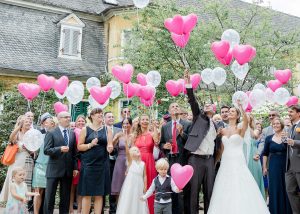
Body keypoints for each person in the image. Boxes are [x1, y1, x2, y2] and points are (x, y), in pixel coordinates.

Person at [207, 104, 269, 214]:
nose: (229, 113)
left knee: (239, 184)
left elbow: (246, 120)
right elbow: (221, 149)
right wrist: (215, 162)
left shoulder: (241, 129)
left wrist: (241, 107)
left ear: (237, 115)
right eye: (229, 111)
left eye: (232, 111)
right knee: (224, 186)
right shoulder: (222, 131)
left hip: (237, 160)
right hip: (226, 161)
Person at [184, 70, 221, 214]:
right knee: (194, 191)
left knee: (209, 191)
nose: (206, 106)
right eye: (205, 104)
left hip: (209, 160)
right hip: (195, 159)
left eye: (209, 105)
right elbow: (192, 101)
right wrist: (188, 84)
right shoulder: (199, 118)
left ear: (214, 109)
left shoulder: (217, 125)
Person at [77, 108, 113, 214]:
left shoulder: (107, 129)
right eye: (98, 113)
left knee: (99, 193)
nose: (101, 115)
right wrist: (90, 144)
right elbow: (79, 147)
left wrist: (110, 147)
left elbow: (110, 144)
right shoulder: (85, 129)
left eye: (102, 114)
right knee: (87, 193)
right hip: (88, 165)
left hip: (102, 164)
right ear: (92, 116)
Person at [43, 111, 78, 214]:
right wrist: (59, 149)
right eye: (65, 117)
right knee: (49, 198)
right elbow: (46, 150)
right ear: (59, 119)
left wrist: (75, 167)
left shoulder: (72, 133)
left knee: (65, 198)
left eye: (69, 117)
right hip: (54, 169)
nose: (68, 119)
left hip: (68, 170)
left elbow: (74, 153)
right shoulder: (51, 132)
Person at [160, 103, 191, 214]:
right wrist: (164, 146)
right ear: (169, 111)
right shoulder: (165, 126)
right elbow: (161, 143)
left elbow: (191, 142)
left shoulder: (187, 124)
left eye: (177, 106)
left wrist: (182, 133)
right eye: (172, 107)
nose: (175, 108)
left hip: (183, 159)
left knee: (184, 190)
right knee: (172, 189)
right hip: (171, 160)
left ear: (180, 109)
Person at [0, 116, 34, 203]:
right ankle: (12, 200)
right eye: (26, 121)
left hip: (28, 161)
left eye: (30, 122)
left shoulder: (31, 134)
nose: (29, 123)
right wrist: (19, 126)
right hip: (17, 161)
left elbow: (33, 151)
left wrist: (28, 148)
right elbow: (11, 138)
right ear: (21, 123)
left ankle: (23, 202)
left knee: (25, 181)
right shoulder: (17, 133)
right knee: (15, 180)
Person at [262, 118, 292, 214]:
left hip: (286, 164)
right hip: (273, 164)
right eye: (274, 124)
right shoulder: (269, 138)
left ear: (282, 124)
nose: (275, 125)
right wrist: (264, 167)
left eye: (277, 123)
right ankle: (275, 210)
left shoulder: (286, 136)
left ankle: (287, 210)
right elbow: (265, 153)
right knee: (275, 187)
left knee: (286, 186)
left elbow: (291, 150)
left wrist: (287, 139)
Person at [133, 114, 159, 214]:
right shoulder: (135, 135)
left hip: (149, 161)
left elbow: (156, 141)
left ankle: (150, 210)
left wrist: (155, 127)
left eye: (146, 119)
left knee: (149, 184)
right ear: (139, 122)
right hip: (138, 161)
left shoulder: (152, 134)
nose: (145, 121)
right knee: (138, 184)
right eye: (142, 119)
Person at [32, 114, 54, 214]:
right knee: (38, 191)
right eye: (50, 120)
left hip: (52, 165)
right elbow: (33, 149)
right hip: (40, 165)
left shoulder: (55, 133)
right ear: (44, 123)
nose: (52, 122)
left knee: (49, 193)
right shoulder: (38, 134)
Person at [116, 147, 148, 214]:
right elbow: (127, 152)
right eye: (135, 150)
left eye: (137, 150)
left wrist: (145, 186)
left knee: (139, 199)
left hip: (139, 184)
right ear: (131, 154)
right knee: (129, 198)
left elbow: (145, 176)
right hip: (130, 185)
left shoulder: (143, 164)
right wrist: (126, 142)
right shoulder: (130, 162)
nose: (137, 150)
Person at [243, 113, 265, 198]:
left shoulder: (256, 130)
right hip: (243, 154)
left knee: (254, 175)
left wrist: (247, 124)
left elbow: (255, 136)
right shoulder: (241, 129)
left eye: (247, 118)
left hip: (253, 155)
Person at [104, 111, 122, 214]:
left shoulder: (119, 130)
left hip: (117, 161)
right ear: (105, 119)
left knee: (115, 184)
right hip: (104, 161)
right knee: (105, 184)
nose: (111, 118)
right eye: (109, 117)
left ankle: (113, 208)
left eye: (112, 116)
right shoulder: (101, 129)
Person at [111, 118, 133, 200]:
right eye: (124, 123)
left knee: (129, 185)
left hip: (131, 160)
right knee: (119, 185)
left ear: (131, 124)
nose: (125, 125)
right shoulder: (119, 135)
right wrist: (115, 138)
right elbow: (111, 148)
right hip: (120, 161)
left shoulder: (133, 135)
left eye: (127, 123)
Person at [69, 115, 86, 214]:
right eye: (79, 121)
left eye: (83, 121)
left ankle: (79, 210)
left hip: (84, 161)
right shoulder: (72, 133)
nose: (81, 122)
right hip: (74, 161)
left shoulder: (87, 131)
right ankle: (70, 208)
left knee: (81, 187)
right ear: (75, 123)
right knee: (72, 187)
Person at [285, 105, 300, 213]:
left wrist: (294, 142)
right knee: (290, 191)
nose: (289, 113)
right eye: (288, 111)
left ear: (298, 113)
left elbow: (294, 142)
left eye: (291, 111)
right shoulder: (290, 128)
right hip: (289, 166)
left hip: (299, 165)